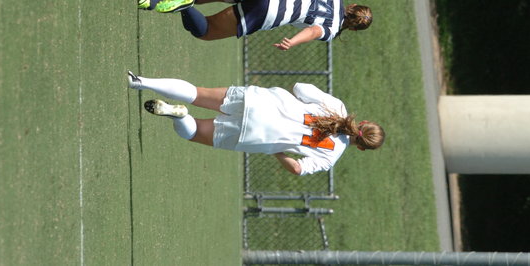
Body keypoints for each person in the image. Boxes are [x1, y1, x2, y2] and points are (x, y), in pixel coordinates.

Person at [127, 71, 385, 175]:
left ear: (363, 123)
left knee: (196, 93)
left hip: (260, 101)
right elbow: (297, 168)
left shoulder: (338, 107)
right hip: (257, 136)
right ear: (362, 147)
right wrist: (277, 150)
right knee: (194, 133)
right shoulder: (331, 157)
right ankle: (180, 116)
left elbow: (300, 87)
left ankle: (140, 81)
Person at [137, 0, 373, 50]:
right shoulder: (331, 29)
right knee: (206, 30)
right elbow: (313, 31)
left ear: (352, 6)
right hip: (270, 9)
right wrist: (293, 41)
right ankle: (185, 8)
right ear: (352, 29)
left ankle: (150, 1)